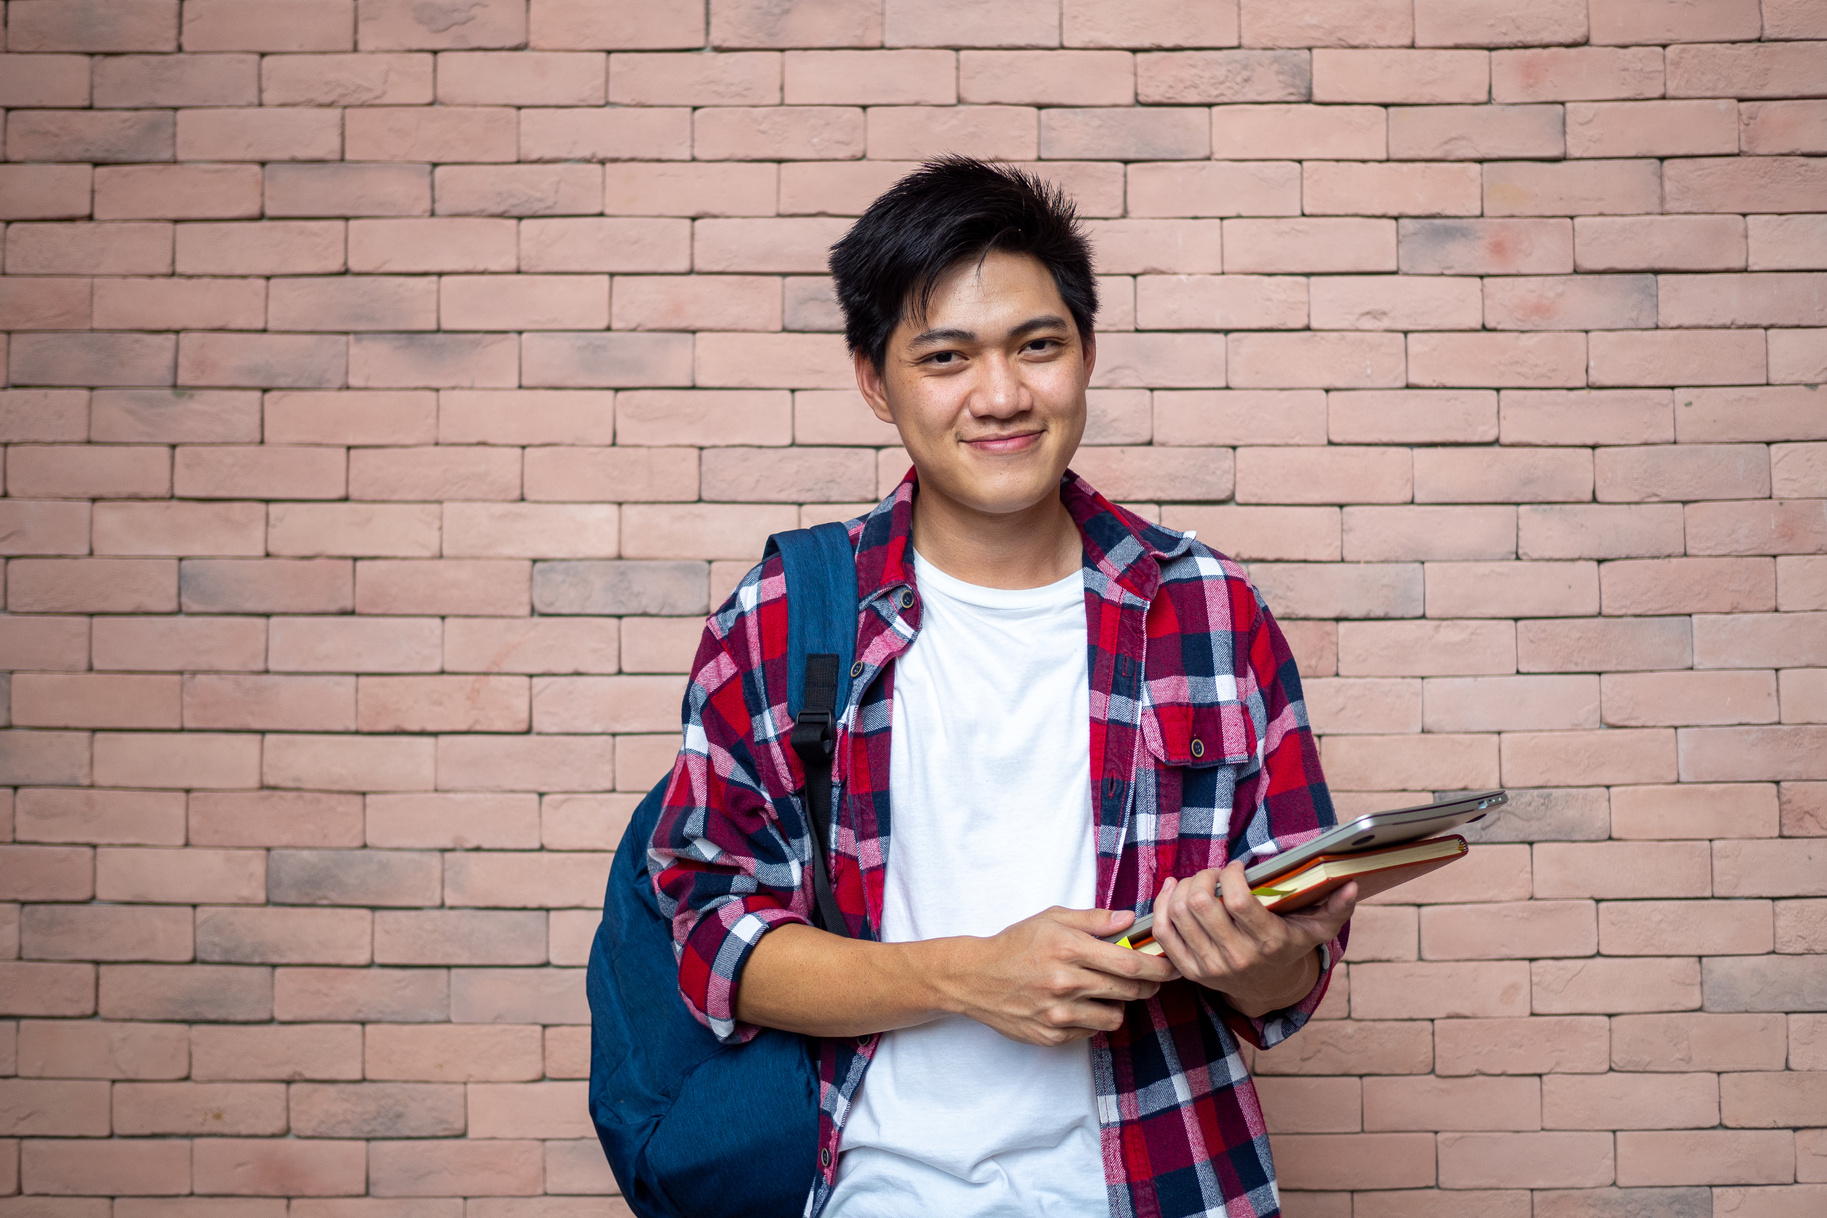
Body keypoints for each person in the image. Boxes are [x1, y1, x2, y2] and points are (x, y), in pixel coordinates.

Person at [650, 157, 1357, 1218]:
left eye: (1039, 346)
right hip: (879, 1191)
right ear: (874, 379)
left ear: (1086, 354)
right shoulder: (788, 614)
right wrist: (967, 974)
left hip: (1172, 1187)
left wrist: (1256, 957)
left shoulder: (1209, 609)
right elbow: (714, 937)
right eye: (946, 357)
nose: (1002, 396)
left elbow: (1290, 985)